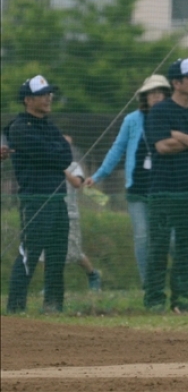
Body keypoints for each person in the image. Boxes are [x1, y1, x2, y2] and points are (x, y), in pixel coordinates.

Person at [85, 75, 171, 285]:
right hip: (137, 189)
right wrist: (98, 176)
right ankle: (148, 284)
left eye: (160, 92)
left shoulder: (172, 118)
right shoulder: (132, 120)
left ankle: (179, 280)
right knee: (142, 236)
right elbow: (117, 150)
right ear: (144, 97)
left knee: (171, 238)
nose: (156, 96)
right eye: (152, 93)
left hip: (165, 188)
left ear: (167, 95)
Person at [143, 58, 188, 314]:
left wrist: (179, 136)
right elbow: (162, 146)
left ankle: (181, 298)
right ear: (177, 83)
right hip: (163, 191)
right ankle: (154, 299)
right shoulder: (160, 111)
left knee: (186, 248)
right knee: (159, 246)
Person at [4, 75, 72, 314]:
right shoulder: (20, 127)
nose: (48, 98)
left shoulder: (50, 126)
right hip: (35, 199)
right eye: (42, 95)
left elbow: (66, 156)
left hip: (57, 198)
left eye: (49, 94)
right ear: (28, 100)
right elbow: (48, 154)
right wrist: (55, 151)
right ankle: (15, 307)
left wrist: (54, 152)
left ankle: (53, 305)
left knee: (57, 254)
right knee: (30, 253)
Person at [62, 136, 103, 291]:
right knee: (47, 252)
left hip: (70, 215)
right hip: (50, 213)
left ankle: (92, 274)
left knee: (74, 252)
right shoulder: (47, 165)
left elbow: (77, 183)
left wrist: (63, 168)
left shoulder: (74, 166)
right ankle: (50, 284)